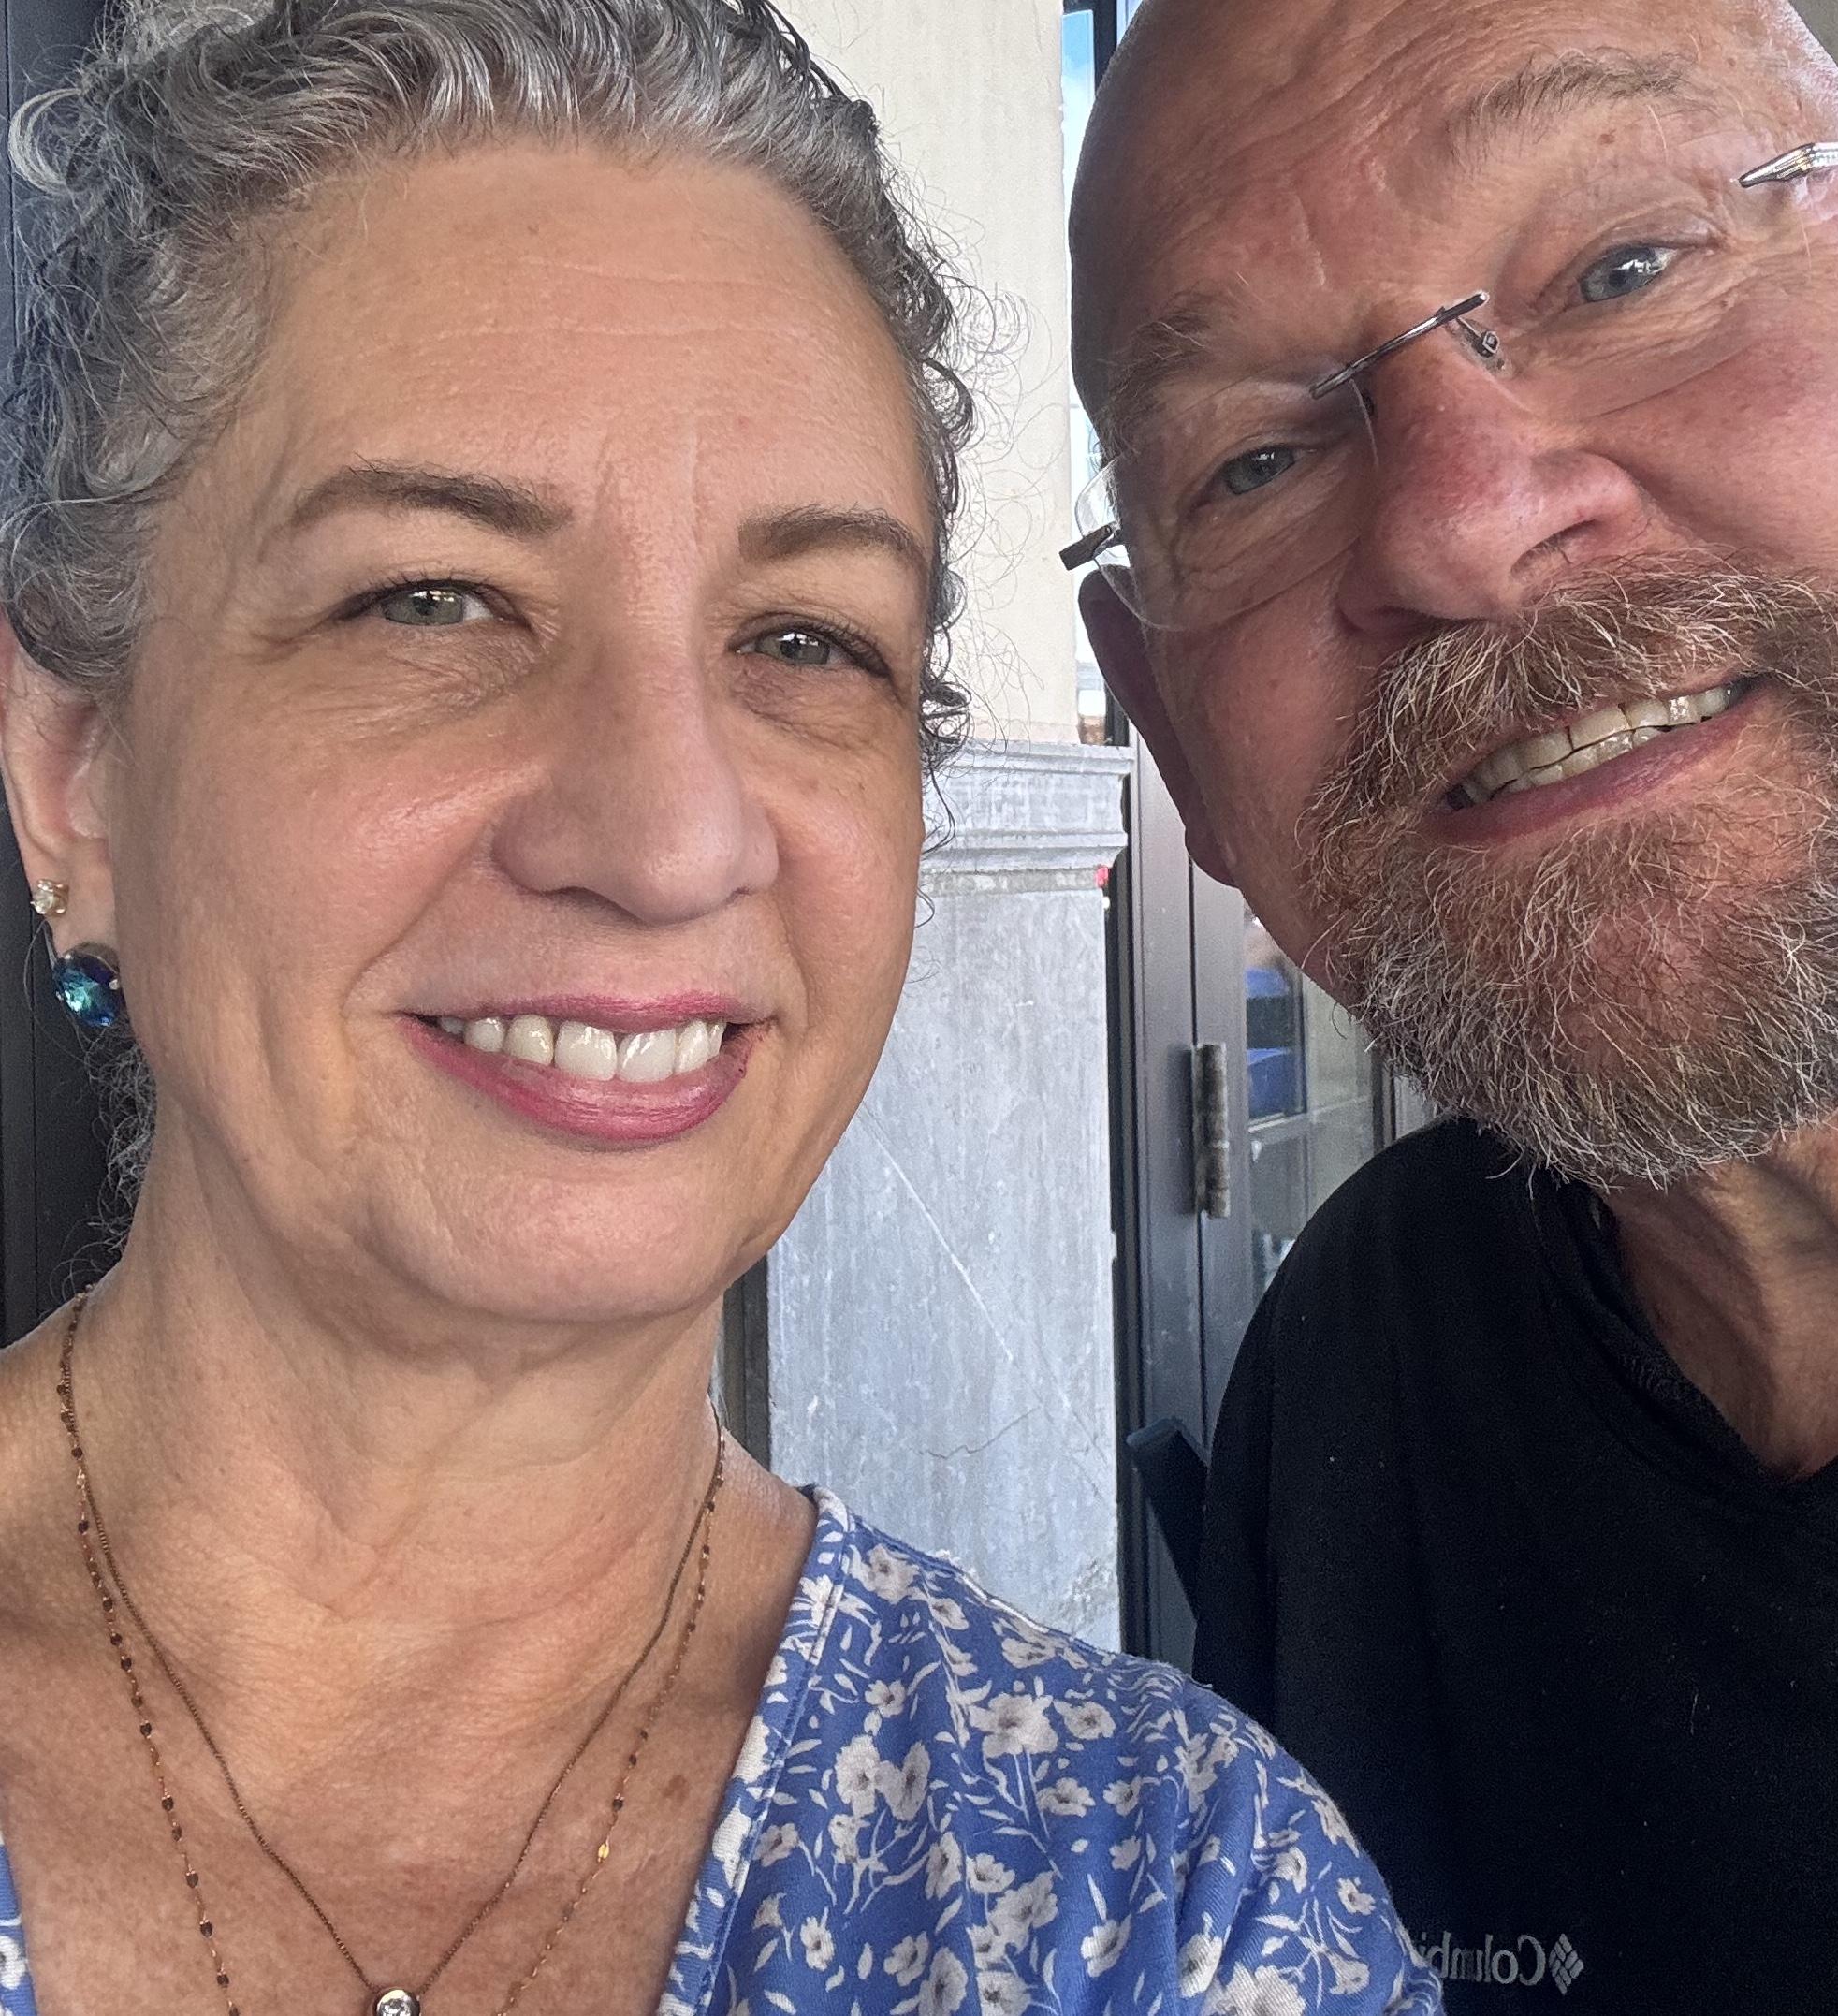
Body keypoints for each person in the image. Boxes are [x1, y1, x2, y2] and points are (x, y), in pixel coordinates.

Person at [0, 5, 1447, 2013]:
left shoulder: (1163, 1903)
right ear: (73, 770)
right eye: (433, 599)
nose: (670, 838)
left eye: (803, 640)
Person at [1066, 0, 1838, 2009]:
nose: (1458, 524)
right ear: (1165, 730)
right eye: (1252, 459)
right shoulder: (1364, 1366)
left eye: (1624, 266)